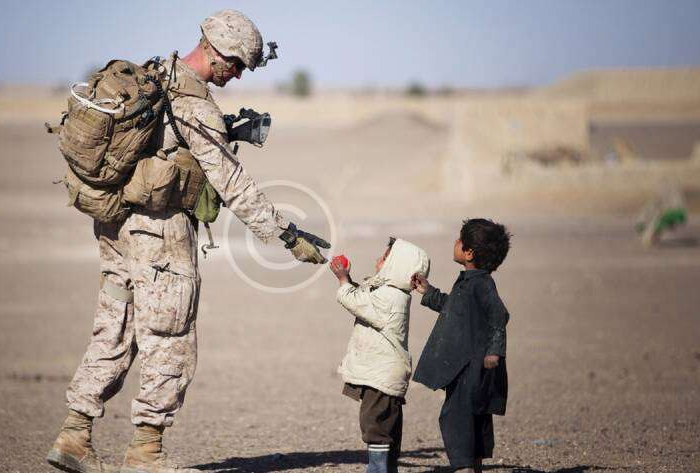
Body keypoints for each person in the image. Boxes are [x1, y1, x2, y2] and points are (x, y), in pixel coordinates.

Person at [46, 10, 330, 473]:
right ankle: (146, 452)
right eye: (235, 64)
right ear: (214, 50)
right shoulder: (195, 105)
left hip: (117, 228)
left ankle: (74, 435)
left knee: (115, 328)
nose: (237, 75)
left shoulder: (156, 75)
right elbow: (232, 182)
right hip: (160, 235)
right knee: (170, 338)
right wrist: (286, 234)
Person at [411, 219, 511, 472]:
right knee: (472, 413)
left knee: (457, 416)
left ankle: (464, 466)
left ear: (469, 253)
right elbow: (455, 309)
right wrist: (429, 293)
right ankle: (472, 465)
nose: (455, 242)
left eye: (460, 240)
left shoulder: (481, 284)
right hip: (466, 364)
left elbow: (499, 315)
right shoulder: (470, 281)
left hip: (471, 365)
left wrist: (495, 351)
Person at [329, 238, 430, 473]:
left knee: (375, 424)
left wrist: (343, 280)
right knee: (386, 423)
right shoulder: (391, 293)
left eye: (385, 258)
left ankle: (378, 469)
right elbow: (365, 297)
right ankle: (387, 468)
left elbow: (356, 302)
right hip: (383, 372)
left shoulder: (391, 297)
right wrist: (348, 280)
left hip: (381, 375)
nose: (378, 260)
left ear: (398, 266)